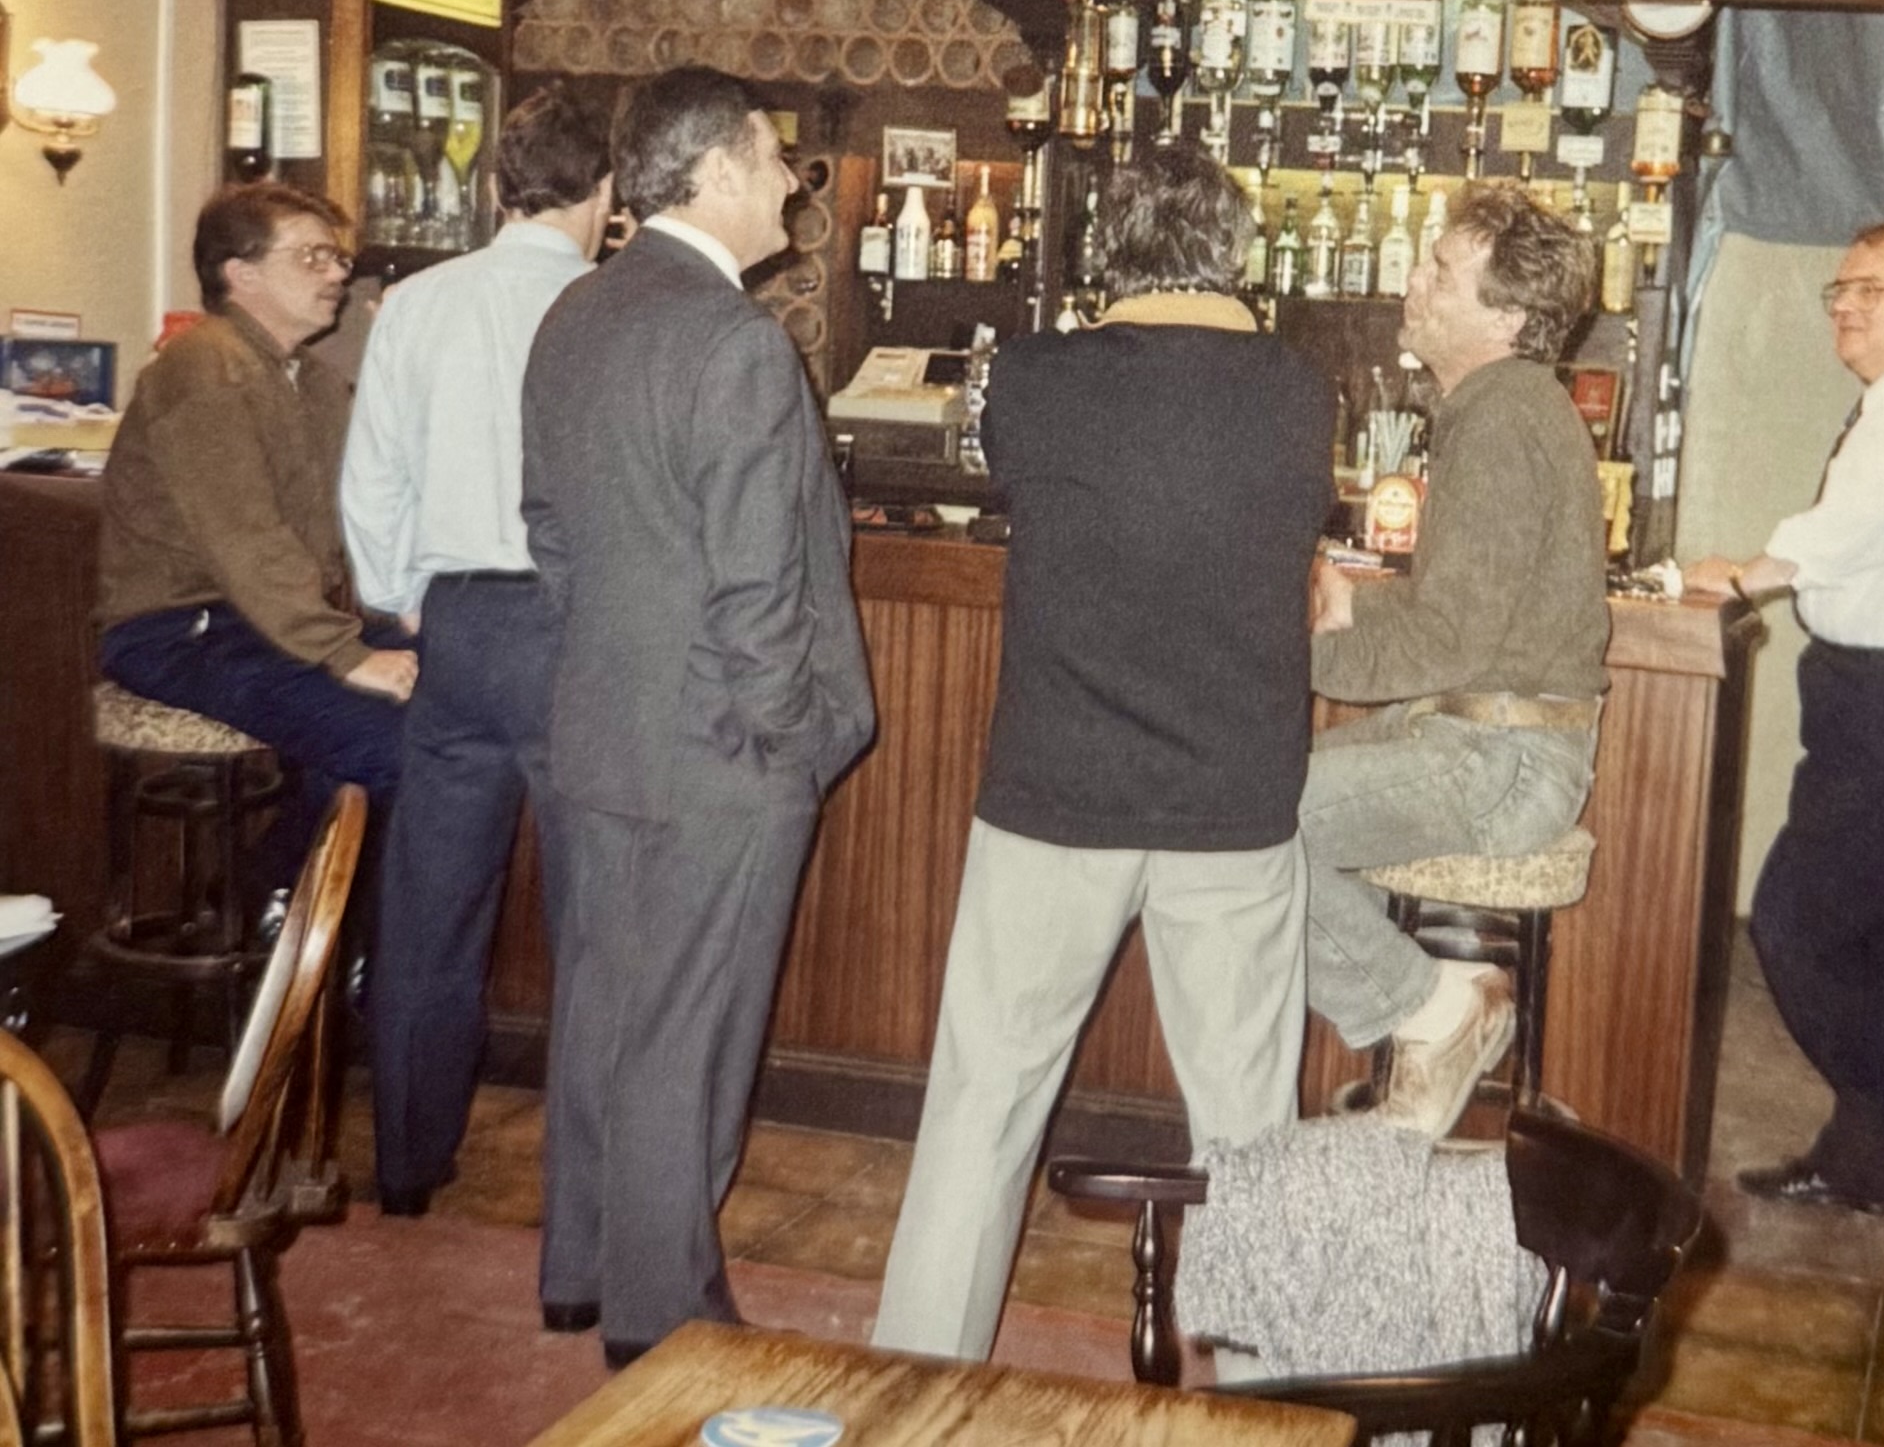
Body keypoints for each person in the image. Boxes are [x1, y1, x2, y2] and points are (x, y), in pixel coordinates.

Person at [873, 146, 1332, 1363]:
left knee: (982, 1108)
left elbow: (1004, 474)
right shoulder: (1297, 389)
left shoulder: (1037, 377)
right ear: (1231, 250)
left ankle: (921, 1381)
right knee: (1246, 1124)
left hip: (1055, 795)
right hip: (1232, 801)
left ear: (1107, 251)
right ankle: (1266, 1397)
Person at [521, 66, 874, 1367]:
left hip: (605, 721)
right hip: (720, 751)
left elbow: (549, 532)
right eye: (775, 154)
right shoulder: (734, 342)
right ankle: (660, 1319)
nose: (793, 177)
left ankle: (579, 1268)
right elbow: (758, 584)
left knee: (606, 1005)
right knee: (690, 1033)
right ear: (717, 170)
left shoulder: (575, 315)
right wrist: (780, 740)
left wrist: (625, 654)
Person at [1682, 218, 1884, 1214]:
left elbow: (1864, 527)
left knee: (1793, 921)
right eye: (1838, 290)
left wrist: (1746, 570)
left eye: (1872, 286)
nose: (1846, 304)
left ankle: (1877, 1100)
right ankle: (1868, 1166)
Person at [340, 88, 616, 1221]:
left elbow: (374, 478)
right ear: (605, 193)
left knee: (429, 914)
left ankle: (407, 1165)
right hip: (575, 630)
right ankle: (583, 1199)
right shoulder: (609, 310)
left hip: (456, 621)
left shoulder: (418, 300)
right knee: (594, 924)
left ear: (501, 185)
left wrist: (403, 601)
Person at [1301, 181, 1607, 1140]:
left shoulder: (1504, 417)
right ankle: (1419, 1024)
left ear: (1508, 314)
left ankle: (1431, 1006)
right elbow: (1471, 618)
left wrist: (1329, 632)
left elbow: (1452, 639)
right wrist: (1366, 605)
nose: (1416, 279)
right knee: (1240, 802)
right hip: (1487, 736)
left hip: (1502, 761)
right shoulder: (1508, 406)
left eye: (1441, 269)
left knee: (1237, 823)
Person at [97, 183, 417, 899]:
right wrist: (346, 652)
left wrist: (397, 610)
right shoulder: (202, 365)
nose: (338, 272)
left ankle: (293, 922)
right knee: (396, 747)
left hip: (263, 626)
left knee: (459, 700)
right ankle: (271, 911)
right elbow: (246, 539)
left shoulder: (315, 383)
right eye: (311, 257)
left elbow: (360, 513)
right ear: (239, 275)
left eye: (337, 256)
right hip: (181, 629)